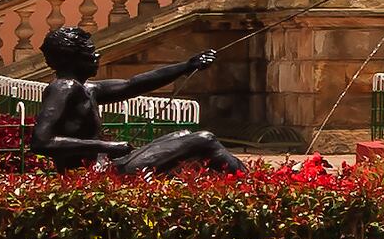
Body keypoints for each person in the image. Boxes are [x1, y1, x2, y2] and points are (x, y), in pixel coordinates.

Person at [30, 26, 241, 178]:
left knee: (183, 135)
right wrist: (107, 146)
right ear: (72, 58)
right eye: (89, 52)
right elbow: (41, 142)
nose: (97, 55)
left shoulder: (86, 89)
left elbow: (133, 84)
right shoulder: (63, 88)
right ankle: (252, 187)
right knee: (205, 138)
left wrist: (187, 66)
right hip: (95, 176)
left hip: (106, 165)